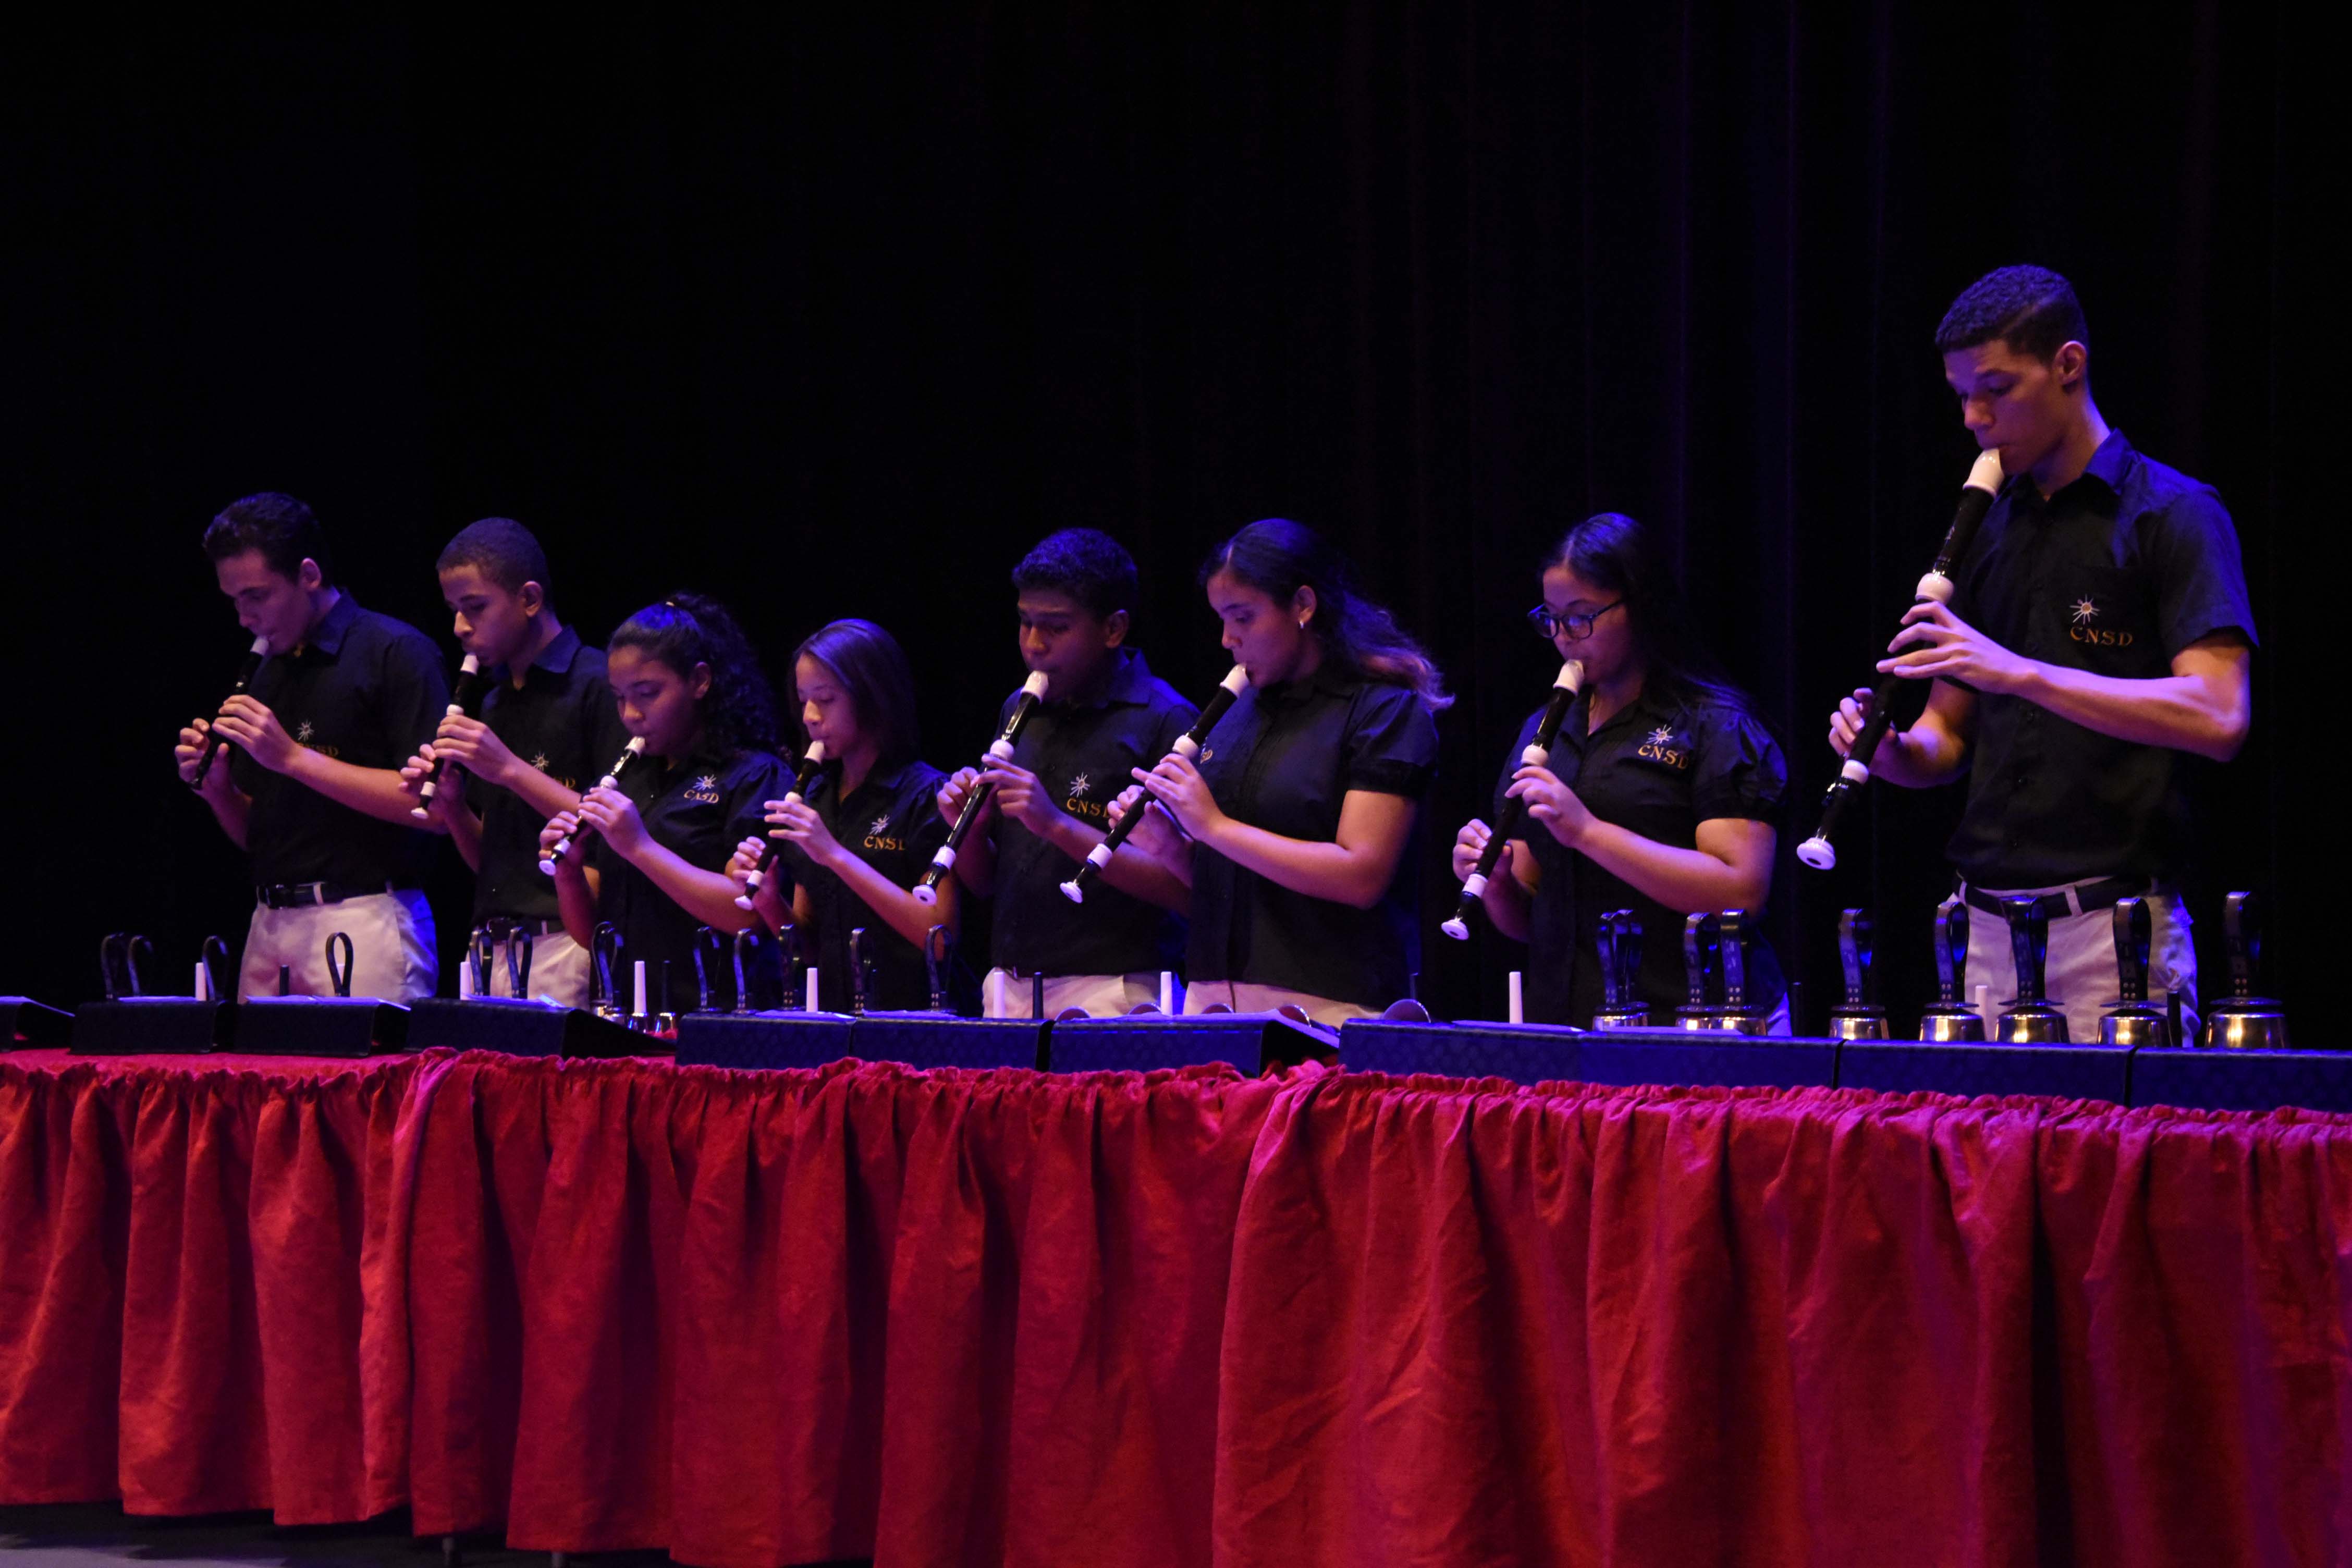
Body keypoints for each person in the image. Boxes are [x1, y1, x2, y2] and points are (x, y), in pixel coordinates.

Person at [1828, 265, 2256, 1042]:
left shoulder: (2174, 514)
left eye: (1996, 388)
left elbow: (2221, 714)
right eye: (1961, 394)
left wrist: (2020, 673)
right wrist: (1892, 752)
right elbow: (1947, 739)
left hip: (2112, 931)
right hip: (1979, 930)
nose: (1973, 417)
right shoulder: (1990, 526)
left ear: (2068, 365)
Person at [1453, 514, 1791, 1028]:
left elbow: (1741, 891)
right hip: (1570, 1026)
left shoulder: (1713, 724)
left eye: (1582, 616)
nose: (1564, 637)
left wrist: (1587, 831)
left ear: (1639, 607)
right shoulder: (1543, 728)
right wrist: (1496, 882)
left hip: (1695, 1025)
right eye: (1552, 617)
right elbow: (1531, 920)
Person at [1109, 518, 1443, 1026]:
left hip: (1332, 1008)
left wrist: (1213, 826)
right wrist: (1173, 848)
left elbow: (1362, 874)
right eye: (1222, 618)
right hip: (1213, 1003)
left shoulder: (1383, 711)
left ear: (1303, 606)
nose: (1226, 638)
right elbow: (1235, 876)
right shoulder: (1235, 713)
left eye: (1242, 617)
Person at [173, 492, 446, 1000]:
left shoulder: (395, 651)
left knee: (368, 1079)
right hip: (271, 921)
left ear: (310, 574)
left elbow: (433, 808)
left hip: (364, 917)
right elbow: (259, 835)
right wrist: (218, 790)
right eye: (234, 600)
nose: (244, 617)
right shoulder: (267, 670)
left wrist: (294, 758)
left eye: (257, 595)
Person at [933, 530, 1198, 1017]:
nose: (1033, 644)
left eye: (1055, 627)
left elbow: (1186, 890)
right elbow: (988, 883)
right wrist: (964, 830)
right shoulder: (1019, 707)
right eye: (1025, 622)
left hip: (1116, 989)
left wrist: (1054, 823)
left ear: (1113, 629)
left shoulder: (1166, 719)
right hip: (1009, 984)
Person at [400, 518, 629, 1006]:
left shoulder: (599, 685)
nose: (460, 627)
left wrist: (508, 768)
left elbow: (617, 832)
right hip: (493, 947)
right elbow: (494, 861)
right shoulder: (497, 700)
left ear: (529, 599)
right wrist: (456, 808)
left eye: (475, 607)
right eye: (454, 610)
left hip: (568, 945)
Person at [538, 594, 787, 1013]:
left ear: (700, 681)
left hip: (716, 1020)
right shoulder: (628, 777)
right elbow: (590, 932)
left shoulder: (756, 775)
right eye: (619, 697)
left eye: (647, 693)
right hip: (623, 1014)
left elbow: (748, 915)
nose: (630, 714)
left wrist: (640, 848)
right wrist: (568, 873)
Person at [731, 619, 962, 1012]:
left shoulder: (926, 796)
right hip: (834, 1022)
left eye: (825, 698)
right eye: (804, 699)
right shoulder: (815, 798)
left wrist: (834, 855)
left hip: (914, 1026)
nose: (808, 715)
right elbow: (809, 946)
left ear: (873, 697)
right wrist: (771, 903)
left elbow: (938, 940)